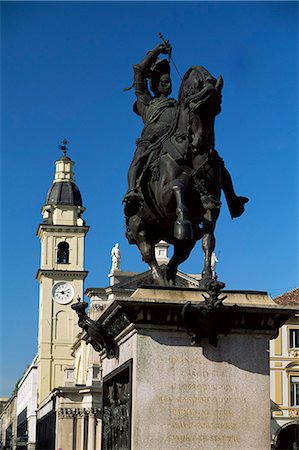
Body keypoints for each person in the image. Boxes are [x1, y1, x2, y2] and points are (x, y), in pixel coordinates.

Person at [123, 41, 178, 205]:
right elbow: (139, 70)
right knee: (139, 157)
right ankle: (132, 190)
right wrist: (156, 51)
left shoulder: (177, 104)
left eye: (169, 81)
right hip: (152, 138)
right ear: (154, 84)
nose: (167, 83)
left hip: (174, 138)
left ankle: (230, 198)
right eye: (163, 81)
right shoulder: (146, 102)